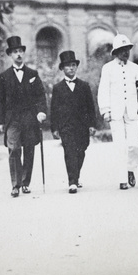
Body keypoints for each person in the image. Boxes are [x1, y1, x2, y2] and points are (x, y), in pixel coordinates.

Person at [0, 36, 47, 198]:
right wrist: (0, 121)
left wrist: (41, 111)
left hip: (29, 117)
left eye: (20, 51)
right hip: (12, 118)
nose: (18, 54)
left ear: (23, 54)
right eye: (15, 52)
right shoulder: (4, 76)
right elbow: (1, 100)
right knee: (13, 149)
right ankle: (15, 184)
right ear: (10, 55)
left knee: (29, 149)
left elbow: (41, 96)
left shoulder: (33, 73)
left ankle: (25, 183)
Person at [97, 34, 138, 190]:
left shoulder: (135, 68)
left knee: (134, 146)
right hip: (116, 112)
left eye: (127, 49)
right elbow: (103, 90)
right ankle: (122, 179)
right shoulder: (108, 68)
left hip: (132, 112)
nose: (126, 53)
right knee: (120, 146)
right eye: (122, 49)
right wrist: (105, 110)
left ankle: (131, 169)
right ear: (115, 51)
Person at [50, 51, 97, 194]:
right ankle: (72, 181)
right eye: (67, 66)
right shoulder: (58, 88)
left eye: (73, 65)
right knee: (69, 151)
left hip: (82, 125)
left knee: (81, 150)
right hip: (66, 126)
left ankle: (76, 176)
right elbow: (54, 109)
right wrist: (54, 128)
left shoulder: (84, 86)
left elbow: (90, 107)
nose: (70, 68)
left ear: (76, 67)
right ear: (62, 69)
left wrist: (92, 124)